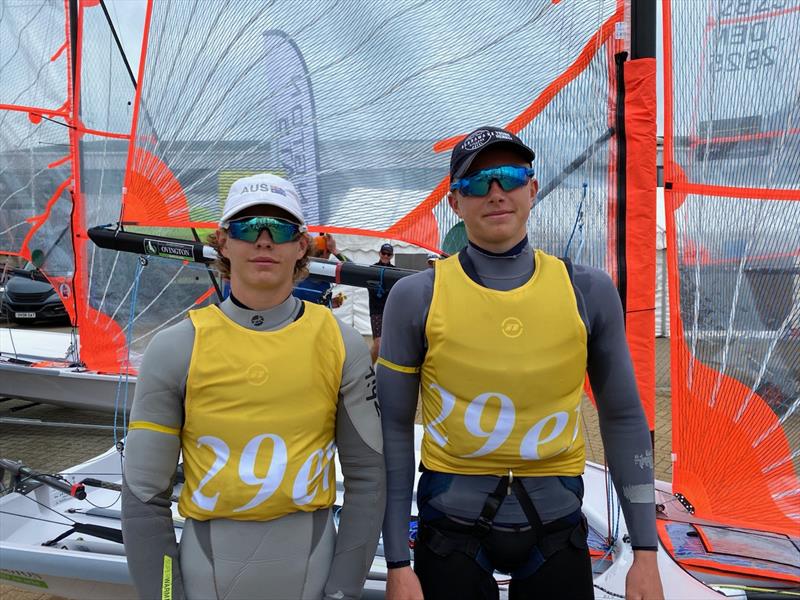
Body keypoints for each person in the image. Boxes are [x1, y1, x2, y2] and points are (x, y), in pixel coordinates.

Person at [377, 127, 663, 600]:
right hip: (451, 530)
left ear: (531, 189)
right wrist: (396, 563)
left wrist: (645, 554)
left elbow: (623, 416)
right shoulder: (417, 296)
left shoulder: (587, 290)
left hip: (555, 532)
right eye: (476, 183)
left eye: (509, 177)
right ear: (454, 202)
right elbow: (392, 431)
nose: (495, 193)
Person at [121, 173, 385, 600]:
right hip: (207, 573)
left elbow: (368, 480)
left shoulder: (341, 342)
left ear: (301, 246)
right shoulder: (174, 348)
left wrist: (343, 593)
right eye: (246, 228)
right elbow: (143, 497)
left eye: (280, 229)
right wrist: (166, 597)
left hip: (312, 574)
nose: (264, 241)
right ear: (222, 242)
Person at [293, 233, 348, 308]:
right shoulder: (326, 271)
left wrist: (329, 303)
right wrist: (335, 250)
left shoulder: (296, 267)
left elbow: (308, 299)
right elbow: (356, 273)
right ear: (325, 253)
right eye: (329, 253)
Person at [368, 242, 394, 363]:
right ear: (379, 253)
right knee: (378, 344)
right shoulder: (372, 269)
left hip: (390, 311)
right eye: (384, 253)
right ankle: (366, 368)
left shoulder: (396, 271)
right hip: (377, 310)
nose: (385, 256)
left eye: (388, 254)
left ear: (391, 256)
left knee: (391, 344)